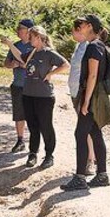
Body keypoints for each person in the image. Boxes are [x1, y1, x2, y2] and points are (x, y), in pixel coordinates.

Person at [62, 14, 110, 191]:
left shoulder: (93, 47)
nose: (79, 26)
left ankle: (80, 178)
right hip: (96, 96)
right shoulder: (98, 45)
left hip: (92, 96)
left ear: (89, 26)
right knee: (95, 132)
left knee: (80, 134)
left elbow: (92, 75)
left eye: (81, 24)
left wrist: (85, 102)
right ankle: (102, 175)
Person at [21, 25, 70, 168]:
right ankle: (33, 153)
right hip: (28, 94)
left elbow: (65, 64)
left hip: (44, 96)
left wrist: (51, 74)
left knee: (45, 126)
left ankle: (49, 155)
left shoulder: (49, 53)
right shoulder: (31, 53)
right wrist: (10, 45)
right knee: (32, 125)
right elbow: (20, 59)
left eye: (31, 37)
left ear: (39, 37)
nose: (29, 39)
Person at [1, 19, 35, 152]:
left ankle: (34, 143)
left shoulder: (34, 46)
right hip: (17, 84)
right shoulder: (16, 45)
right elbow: (6, 63)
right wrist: (12, 64)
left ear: (29, 30)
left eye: (20, 28)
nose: (17, 30)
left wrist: (20, 63)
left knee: (32, 115)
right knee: (19, 114)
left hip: (32, 86)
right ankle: (20, 140)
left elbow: (26, 62)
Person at [68, 19, 97, 176]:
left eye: (73, 30)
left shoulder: (88, 47)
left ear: (80, 30)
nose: (71, 33)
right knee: (85, 129)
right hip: (75, 92)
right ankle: (90, 159)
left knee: (85, 129)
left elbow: (91, 73)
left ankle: (90, 162)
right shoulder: (78, 46)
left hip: (82, 92)